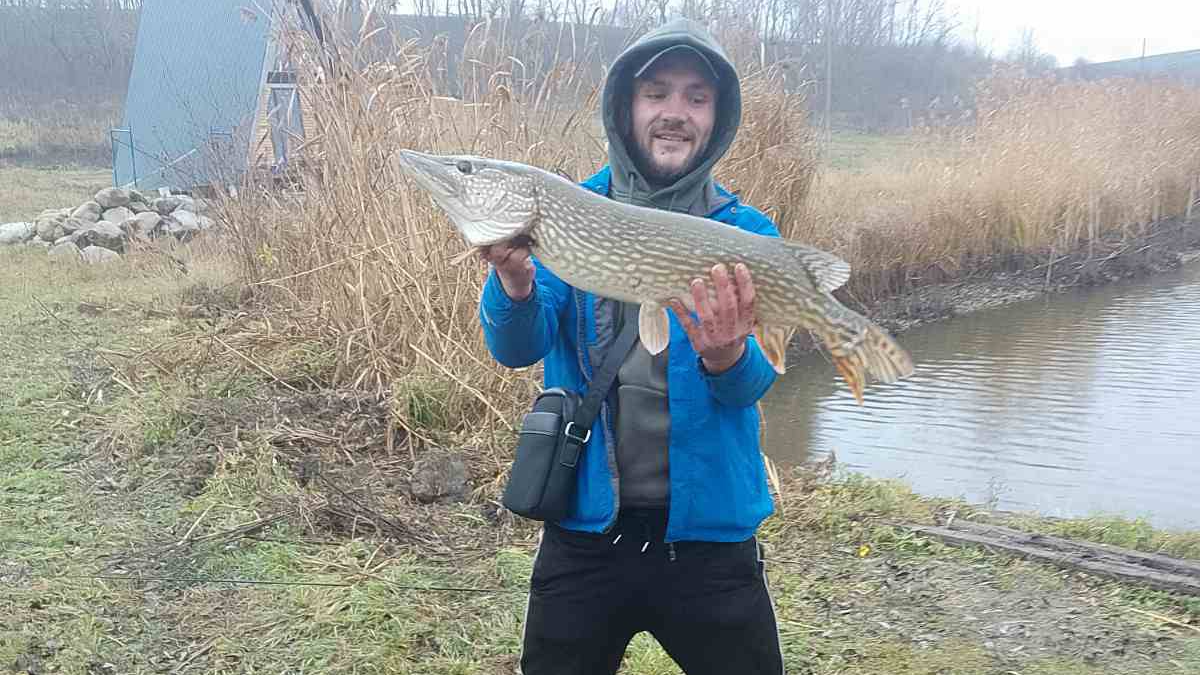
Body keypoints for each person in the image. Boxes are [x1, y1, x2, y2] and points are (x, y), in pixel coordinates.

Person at [477, 17, 786, 675]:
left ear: (717, 119)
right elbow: (517, 346)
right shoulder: (568, 211)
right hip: (586, 532)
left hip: (710, 541)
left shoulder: (747, 232)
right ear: (626, 107)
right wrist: (514, 281)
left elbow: (753, 385)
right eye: (657, 93)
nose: (675, 112)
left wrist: (727, 355)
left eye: (696, 97)